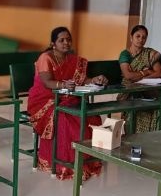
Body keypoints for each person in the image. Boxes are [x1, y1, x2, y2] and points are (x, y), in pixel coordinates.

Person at [27, 27, 108, 180]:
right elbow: (46, 82)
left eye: (68, 40)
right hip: (45, 100)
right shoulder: (46, 57)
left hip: (67, 97)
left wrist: (95, 80)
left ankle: (87, 160)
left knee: (91, 117)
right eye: (61, 40)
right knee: (65, 118)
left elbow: (81, 81)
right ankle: (63, 164)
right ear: (53, 43)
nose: (66, 43)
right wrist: (63, 85)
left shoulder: (73, 59)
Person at [118, 24, 161, 133]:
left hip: (149, 90)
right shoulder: (125, 54)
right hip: (130, 92)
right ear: (131, 37)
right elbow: (128, 75)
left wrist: (139, 79)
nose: (141, 40)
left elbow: (159, 73)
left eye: (144, 37)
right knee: (138, 104)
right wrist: (147, 71)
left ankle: (156, 137)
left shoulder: (150, 54)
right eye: (138, 36)